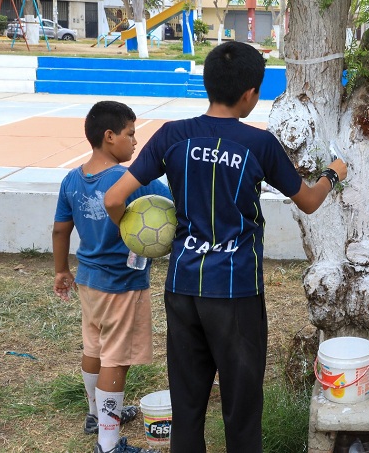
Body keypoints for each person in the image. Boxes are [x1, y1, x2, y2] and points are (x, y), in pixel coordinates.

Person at [103, 41, 348, 452]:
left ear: (207, 83)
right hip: (236, 293)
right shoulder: (259, 144)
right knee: (241, 406)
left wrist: (138, 239)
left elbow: (114, 199)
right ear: (250, 94)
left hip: (182, 287)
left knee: (187, 403)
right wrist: (333, 174)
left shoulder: (171, 135)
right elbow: (307, 200)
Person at [53, 101, 171, 453]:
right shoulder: (128, 180)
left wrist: (61, 270)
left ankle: (96, 414)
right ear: (109, 137)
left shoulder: (72, 179)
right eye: (131, 134)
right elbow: (172, 205)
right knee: (115, 359)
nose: (135, 142)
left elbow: (61, 230)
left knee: (95, 347)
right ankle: (108, 442)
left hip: (88, 280)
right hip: (122, 285)